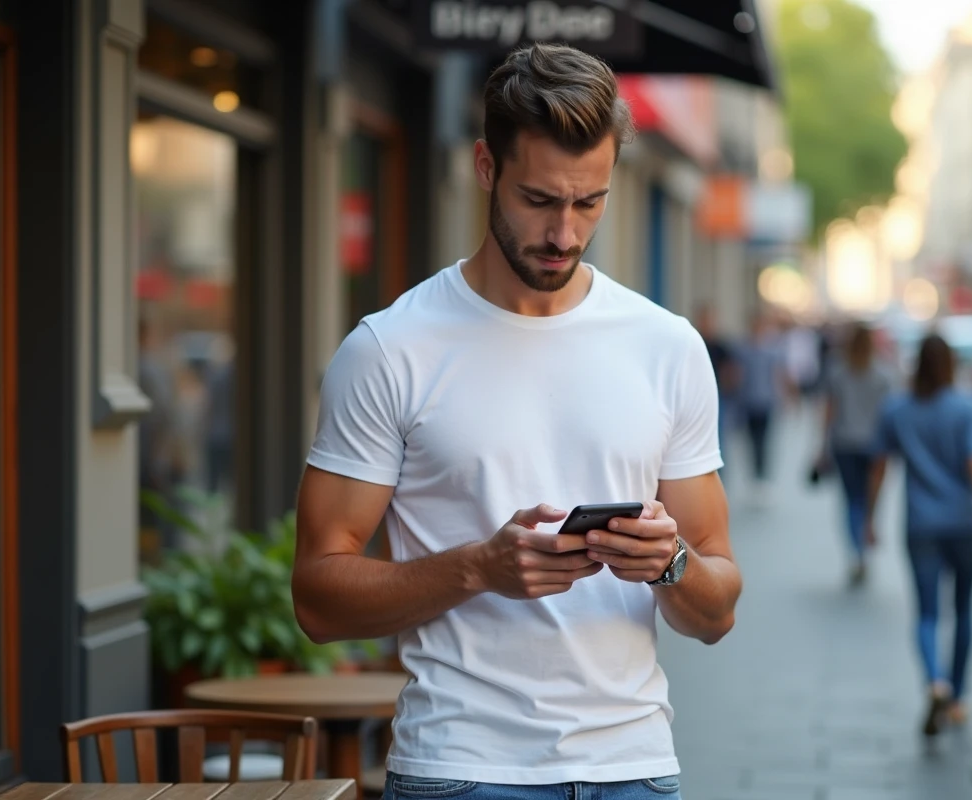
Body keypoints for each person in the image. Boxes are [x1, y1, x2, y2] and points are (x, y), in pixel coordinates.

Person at [292, 43, 740, 799]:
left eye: (589, 202)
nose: (564, 233)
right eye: (539, 200)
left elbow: (718, 608)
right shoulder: (389, 348)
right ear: (485, 167)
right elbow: (316, 598)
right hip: (462, 770)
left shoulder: (667, 347)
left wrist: (669, 564)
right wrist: (478, 569)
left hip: (633, 769)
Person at [865, 333, 972, 737]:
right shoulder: (968, 407)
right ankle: (959, 697)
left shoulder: (898, 408)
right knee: (964, 609)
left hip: (921, 525)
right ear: (950, 365)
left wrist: (869, 520)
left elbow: (880, 467)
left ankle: (935, 680)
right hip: (966, 524)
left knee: (927, 613)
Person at [816, 322, 892, 585]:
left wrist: (821, 446)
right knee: (870, 497)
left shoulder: (838, 369)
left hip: (845, 443)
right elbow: (889, 413)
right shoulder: (882, 373)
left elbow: (829, 411)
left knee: (851, 501)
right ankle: (867, 533)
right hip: (874, 445)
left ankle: (856, 551)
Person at [735, 314, 790, 502]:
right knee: (751, 442)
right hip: (748, 403)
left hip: (766, 402)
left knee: (764, 442)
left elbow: (778, 375)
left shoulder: (771, 350)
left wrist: (783, 398)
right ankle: (754, 479)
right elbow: (738, 376)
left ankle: (763, 478)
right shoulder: (743, 350)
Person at [693, 305, 736, 474]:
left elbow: (731, 369)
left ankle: (718, 473)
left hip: (718, 397)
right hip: (697, 398)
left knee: (718, 437)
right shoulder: (694, 341)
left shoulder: (720, 345)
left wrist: (727, 387)